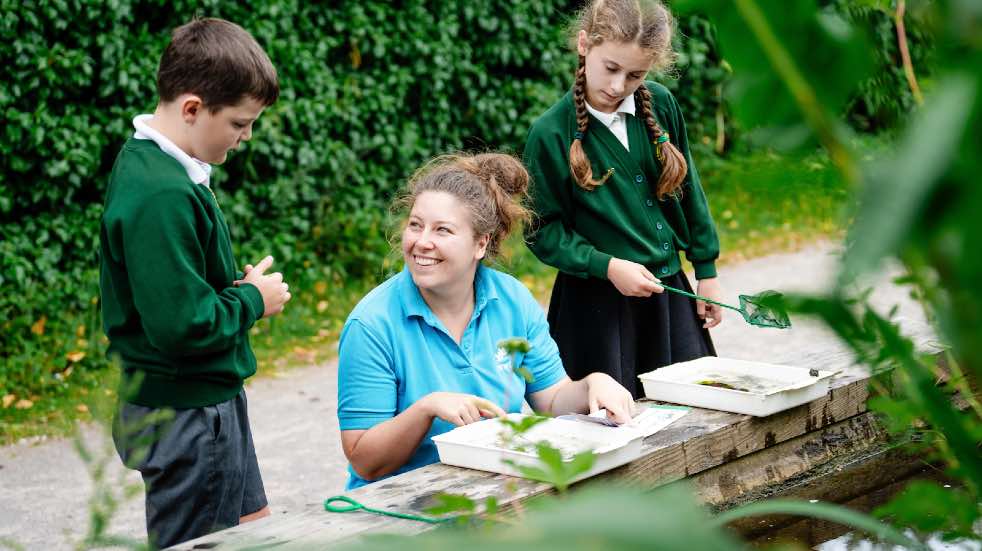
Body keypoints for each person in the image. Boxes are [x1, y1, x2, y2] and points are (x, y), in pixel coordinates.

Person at [99, 18, 289, 548]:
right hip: (187, 414)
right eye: (239, 122)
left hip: (210, 400)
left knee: (255, 530)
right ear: (191, 108)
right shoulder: (161, 193)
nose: (247, 135)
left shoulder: (160, 166)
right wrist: (253, 299)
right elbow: (180, 326)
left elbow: (172, 287)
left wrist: (228, 286)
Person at [336, 153, 635, 489]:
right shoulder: (371, 324)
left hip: (492, 490)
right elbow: (364, 461)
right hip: (401, 507)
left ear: (481, 244)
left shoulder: (512, 300)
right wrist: (426, 409)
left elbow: (551, 401)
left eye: (442, 230)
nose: (422, 242)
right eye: (415, 225)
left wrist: (592, 384)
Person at [523, 0, 723, 399]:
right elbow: (542, 231)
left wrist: (706, 270)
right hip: (597, 310)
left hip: (668, 299)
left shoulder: (661, 104)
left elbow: (688, 189)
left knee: (692, 410)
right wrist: (607, 265)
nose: (617, 86)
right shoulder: (550, 134)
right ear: (584, 45)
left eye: (635, 75)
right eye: (610, 68)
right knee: (608, 424)